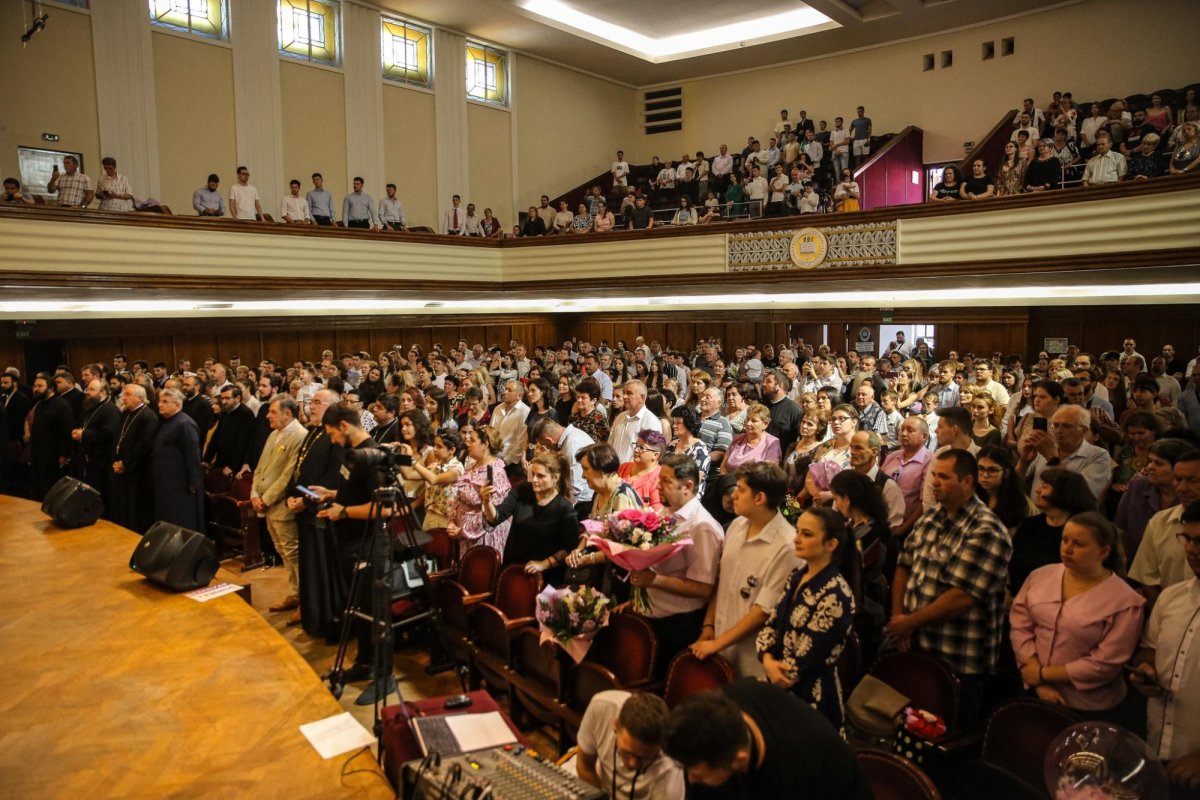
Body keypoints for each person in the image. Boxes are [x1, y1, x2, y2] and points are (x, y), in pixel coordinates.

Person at [888, 449, 1012, 729]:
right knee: (911, 727)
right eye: (934, 476)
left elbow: (961, 598)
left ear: (967, 481)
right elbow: (904, 565)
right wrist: (898, 616)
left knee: (949, 733)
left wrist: (908, 622)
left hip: (959, 657)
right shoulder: (931, 519)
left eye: (943, 477)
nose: (934, 483)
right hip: (917, 644)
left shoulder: (985, 530)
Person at [1010, 512, 1144, 721]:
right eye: (1065, 540)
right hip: (1034, 688)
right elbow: (1020, 624)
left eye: (1079, 544)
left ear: (1103, 551)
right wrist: (1037, 679)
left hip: (1088, 706)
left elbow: (1105, 663)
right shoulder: (1040, 575)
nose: (1067, 549)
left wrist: (1043, 674)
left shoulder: (1125, 601)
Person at [311, 404, 393, 706]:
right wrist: (333, 494)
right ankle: (365, 663)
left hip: (369, 544)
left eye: (332, 433)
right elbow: (355, 491)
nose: (331, 440)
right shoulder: (353, 454)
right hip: (350, 543)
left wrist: (343, 510)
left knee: (375, 613)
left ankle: (385, 677)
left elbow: (384, 508)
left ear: (344, 425)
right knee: (358, 608)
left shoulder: (372, 457)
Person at [664, 681, 872, 799]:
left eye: (698, 775)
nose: (691, 779)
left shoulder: (802, 769)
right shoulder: (722, 704)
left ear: (740, 760)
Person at [692, 462, 799, 678]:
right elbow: (721, 580)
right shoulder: (737, 525)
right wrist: (708, 626)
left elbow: (762, 612)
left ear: (759, 498)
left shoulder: (787, 546)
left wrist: (716, 644)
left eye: (741, 490)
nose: (733, 496)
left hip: (752, 657)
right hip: (718, 641)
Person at [757, 507, 857, 732]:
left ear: (830, 544)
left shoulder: (836, 594)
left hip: (813, 694)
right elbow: (772, 624)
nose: (797, 539)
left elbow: (808, 655)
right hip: (777, 681)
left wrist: (777, 671)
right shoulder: (798, 576)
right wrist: (767, 659)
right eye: (798, 531)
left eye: (807, 534)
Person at [1130, 499, 1200, 796]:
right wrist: (1145, 669)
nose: (1191, 549)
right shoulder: (1172, 597)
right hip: (1158, 748)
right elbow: (1149, 648)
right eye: (1187, 538)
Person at [286, 389, 346, 640]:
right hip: (304, 507)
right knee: (308, 567)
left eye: (317, 403)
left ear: (332, 407)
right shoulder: (312, 432)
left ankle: (327, 621)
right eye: (311, 402)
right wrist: (292, 494)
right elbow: (298, 469)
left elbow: (333, 477)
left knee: (322, 570)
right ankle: (312, 616)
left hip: (320, 511)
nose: (311, 407)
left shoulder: (335, 437)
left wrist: (307, 502)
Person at [481, 450, 577, 585]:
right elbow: (495, 519)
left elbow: (569, 548)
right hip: (513, 567)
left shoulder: (564, 508)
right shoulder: (523, 490)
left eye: (541, 476)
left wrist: (544, 564)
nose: (535, 480)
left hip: (543, 576)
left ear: (556, 478)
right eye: (533, 474)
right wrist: (486, 501)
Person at [251, 396, 308, 621]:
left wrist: (266, 498)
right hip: (267, 503)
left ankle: (305, 599)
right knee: (282, 550)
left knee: (293, 553)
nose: (268, 415)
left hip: (281, 505)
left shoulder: (299, 435)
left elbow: (289, 475)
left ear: (288, 413)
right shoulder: (274, 434)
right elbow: (260, 467)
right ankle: (295, 593)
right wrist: (254, 493)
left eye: (273, 412)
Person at [574, 691, 685, 800]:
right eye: (627, 753)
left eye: (644, 758)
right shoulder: (601, 707)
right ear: (615, 725)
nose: (633, 764)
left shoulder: (670, 778)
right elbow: (585, 766)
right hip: (600, 784)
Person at [1130, 450, 1200, 602]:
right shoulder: (1159, 522)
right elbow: (1147, 580)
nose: (1182, 488)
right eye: (1178, 479)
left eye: (1192, 481)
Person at [448, 424, 512, 558]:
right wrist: (452, 521)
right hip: (464, 535)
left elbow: (491, 517)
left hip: (483, 538)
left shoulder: (496, 473)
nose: (467, 443)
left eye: (472, 440)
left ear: (485, 445)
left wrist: (463, 531)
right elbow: (458, 499)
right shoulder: (472, 466)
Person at [151, 388, 204, 533]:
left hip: (180, 482)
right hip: (166, 479)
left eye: (165, 402)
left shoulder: (185, 424)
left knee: (181, 516)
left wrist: (193, 481)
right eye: (160, 401)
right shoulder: (168, 422)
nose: (160, 405)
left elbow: (192, 455)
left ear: (177, 405)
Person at [974, 444, 1033, 531]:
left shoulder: (1018, 501)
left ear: (1006, 472)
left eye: (992, 470)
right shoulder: (971, 496)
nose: (985, 475)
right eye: (981, 469)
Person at [721, 403, 781, 473]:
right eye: (747, 419)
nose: (748, 423)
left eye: (754, 421)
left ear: (765, 424)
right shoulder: (737, 439)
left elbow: (768, 474)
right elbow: (723, 466)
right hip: (729, 481)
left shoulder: (772, 443)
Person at [618, 429, 666, 510]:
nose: (636, 450)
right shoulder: (624, 467)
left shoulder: (660, 477)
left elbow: (657, 510)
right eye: (636, 445)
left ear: (655, 455)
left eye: (642, 448)